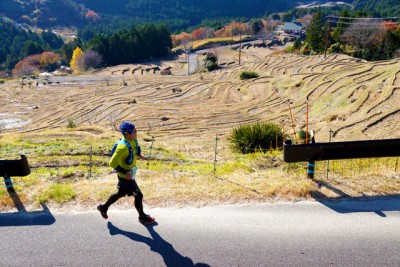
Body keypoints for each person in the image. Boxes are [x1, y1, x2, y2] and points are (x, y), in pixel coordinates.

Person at [97, 121, 155, 224]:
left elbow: (136, 147)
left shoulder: (133, 139)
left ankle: (103, 207)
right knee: (139, 195)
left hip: (130, 174)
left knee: (121, 193)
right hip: (125, 177)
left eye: (135, 130)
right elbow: (112, 163)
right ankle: (142, 216)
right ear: (127, 134)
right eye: (133, 131)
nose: (135, 133)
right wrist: (125, 172)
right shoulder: (122, 147)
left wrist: (139, 154)